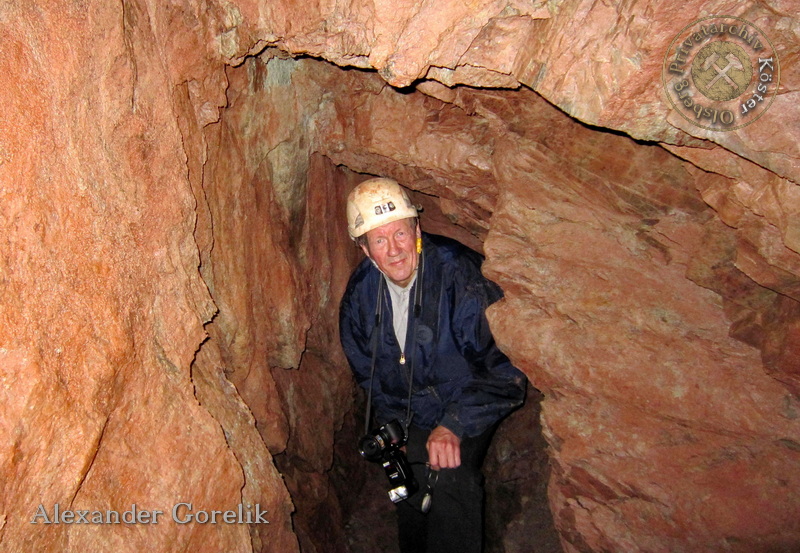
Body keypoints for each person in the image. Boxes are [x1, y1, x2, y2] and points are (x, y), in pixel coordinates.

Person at [339, 177, 527, 553]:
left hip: (466, 401)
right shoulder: (359, 299)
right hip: (411, 413)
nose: (394, 251)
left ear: (418, 229)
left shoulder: (460, 277)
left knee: (452, 482)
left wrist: (454, 425)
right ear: (364, 248)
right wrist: (399, 434)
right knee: (407, 489)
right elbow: (369, 375)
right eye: (379, 240)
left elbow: (506, 369)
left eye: (400, 235)